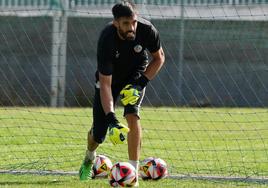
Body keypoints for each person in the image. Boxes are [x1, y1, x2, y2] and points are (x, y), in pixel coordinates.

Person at [79, 0, 165, 184]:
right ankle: (89, 158)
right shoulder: (107, 39)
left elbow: (159, 58)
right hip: (111, 79)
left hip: (136, 75)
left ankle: (132, 172)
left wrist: (140, 84)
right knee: (98, 134)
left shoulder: (147, 30)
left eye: (133, 22)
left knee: (132, 113)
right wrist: (112, 119)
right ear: (116, 23)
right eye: (126, 23)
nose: (131, 27)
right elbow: (105, 85)